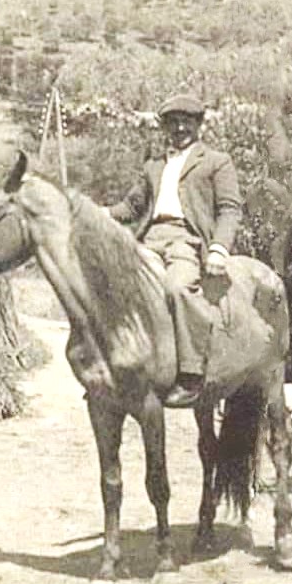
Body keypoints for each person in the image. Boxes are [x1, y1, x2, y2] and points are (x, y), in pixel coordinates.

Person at [105, 94, 243, 408]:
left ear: (198, 124)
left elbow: (230, 209)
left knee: (178, 288)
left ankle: (191, 373)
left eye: (187, 122)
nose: (180, 128)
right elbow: (131, 207)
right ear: (164, 127)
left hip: (186, 240)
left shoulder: (216, 161)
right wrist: (99, 212)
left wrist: (219, 249)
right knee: (113, 286)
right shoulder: (154, 165)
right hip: (149, 239)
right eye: (173, 123)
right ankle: (117, 366)